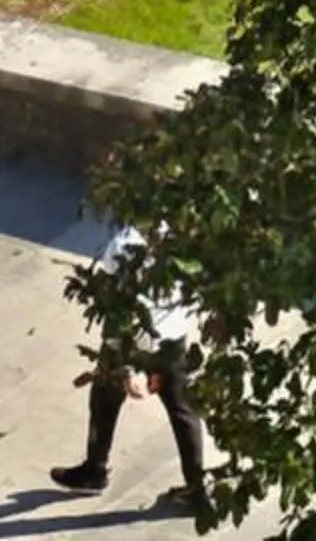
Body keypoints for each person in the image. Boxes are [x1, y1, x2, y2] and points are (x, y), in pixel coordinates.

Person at [51, 222, 211, 518]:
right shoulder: (185, 236)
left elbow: (114, 300)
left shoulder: (127, 242)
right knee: (182, 409)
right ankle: (197, 490)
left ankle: (95, 470)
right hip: (173, 337)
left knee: (103, 397)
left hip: (131, 340)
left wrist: (125, 364)